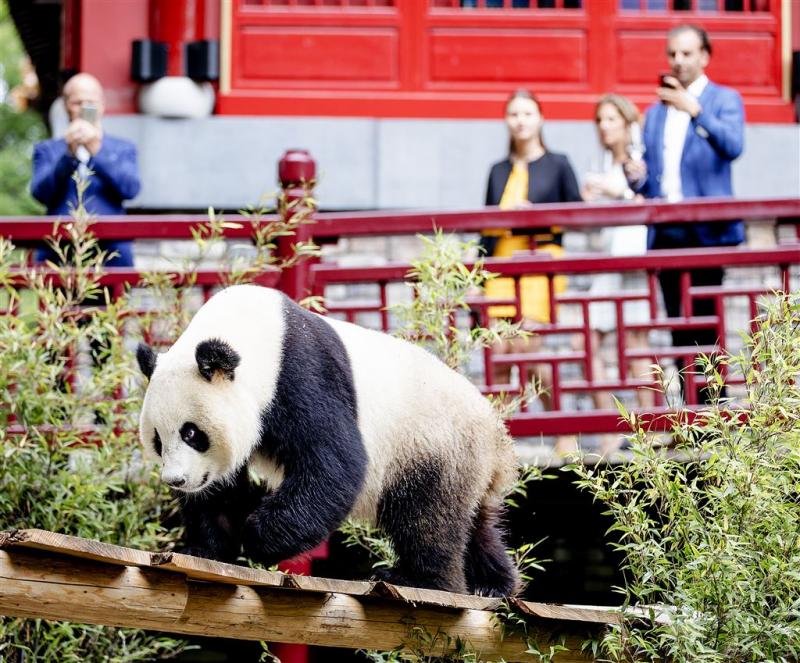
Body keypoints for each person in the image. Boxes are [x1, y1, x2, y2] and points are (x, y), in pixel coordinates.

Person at [636, 24, 744, 404]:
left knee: (707, 323)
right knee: (678, 327)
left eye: (686, 53)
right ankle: (691, 414)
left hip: (707, 231)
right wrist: (636, 177)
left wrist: (695, 110)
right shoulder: (654, 113)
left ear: (704, 56)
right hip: (668, 230)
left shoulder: (724, 99)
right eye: (673, 54)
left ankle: (716, 411)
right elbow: (652, 178)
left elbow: (733, 146)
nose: (678, 61)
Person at [482, 89, 581, 442]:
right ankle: (496, 440)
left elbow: (578, 214)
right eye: (513, 114)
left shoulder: (558, 163)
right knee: (498, 352)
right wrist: (477, 276)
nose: (520, 121)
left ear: (540, 118)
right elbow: (485, 228)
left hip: (539, 261)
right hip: (501, 265)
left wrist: (537, 216)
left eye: (527, 113)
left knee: (528, 348)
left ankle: (562, 429)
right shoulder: (497, 170)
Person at [582, 95, 654, 419]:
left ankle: (652, 425)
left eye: (611, 119)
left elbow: (643, 201)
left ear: (628, 123)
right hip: (607, 259)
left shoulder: (638, 160)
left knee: (637, 341)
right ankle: (609, 427)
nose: (604, 126)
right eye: (600, 120)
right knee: (585, 342)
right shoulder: (604, 165)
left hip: (632, 258)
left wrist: (618, 193)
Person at [31, 72, 141, 268]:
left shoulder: (123, 148)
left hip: (111, 251)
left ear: (102, 105)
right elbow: (40, 193)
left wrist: (96, 151)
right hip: (59, 251)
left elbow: (130, 189)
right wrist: (68, 156)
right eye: (77, 102)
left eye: (90, 102)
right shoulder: (47, 150)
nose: (84, 108)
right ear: (65, 106)